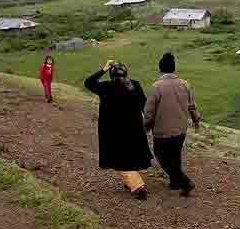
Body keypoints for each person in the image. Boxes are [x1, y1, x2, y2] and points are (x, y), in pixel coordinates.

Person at [84, 60, 153, 200]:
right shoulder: (134, 85)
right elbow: (144, 106)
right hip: (134, 128)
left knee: (118, 159)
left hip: (112, 131)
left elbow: (88, 82)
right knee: (130, 156)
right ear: (126, 73)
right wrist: (148, 125)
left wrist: (103, 69)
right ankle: (131, 181)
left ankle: (138, 186)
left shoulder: (105, 86)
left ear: (111, 74)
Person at [144, 53, 201, 197]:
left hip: (162, 131)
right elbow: (192, 106)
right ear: (174, 69)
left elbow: (149, 111)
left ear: (160, 69)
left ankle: (185, 182)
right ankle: (175, 182)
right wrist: (195, 121)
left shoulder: (157, 86)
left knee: (161, 155)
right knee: (175, 156)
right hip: (181, 129)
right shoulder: (184, 84)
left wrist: (146, 126)